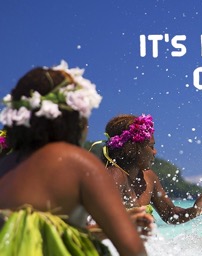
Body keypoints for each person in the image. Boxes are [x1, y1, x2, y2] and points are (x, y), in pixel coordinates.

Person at [0, 61, 146, 255]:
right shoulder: (78, 164)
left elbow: (37, 237)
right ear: (73, 118)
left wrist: (101, 231)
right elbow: (133, 250)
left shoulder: (5, 166)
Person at [101, 114, 202, 225]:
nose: (154, 152)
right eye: (151, 146)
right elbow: (97, 220)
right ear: (131, 148)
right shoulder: (114, 175)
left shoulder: (149, 177)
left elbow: (171, 215)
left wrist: (195, 209)